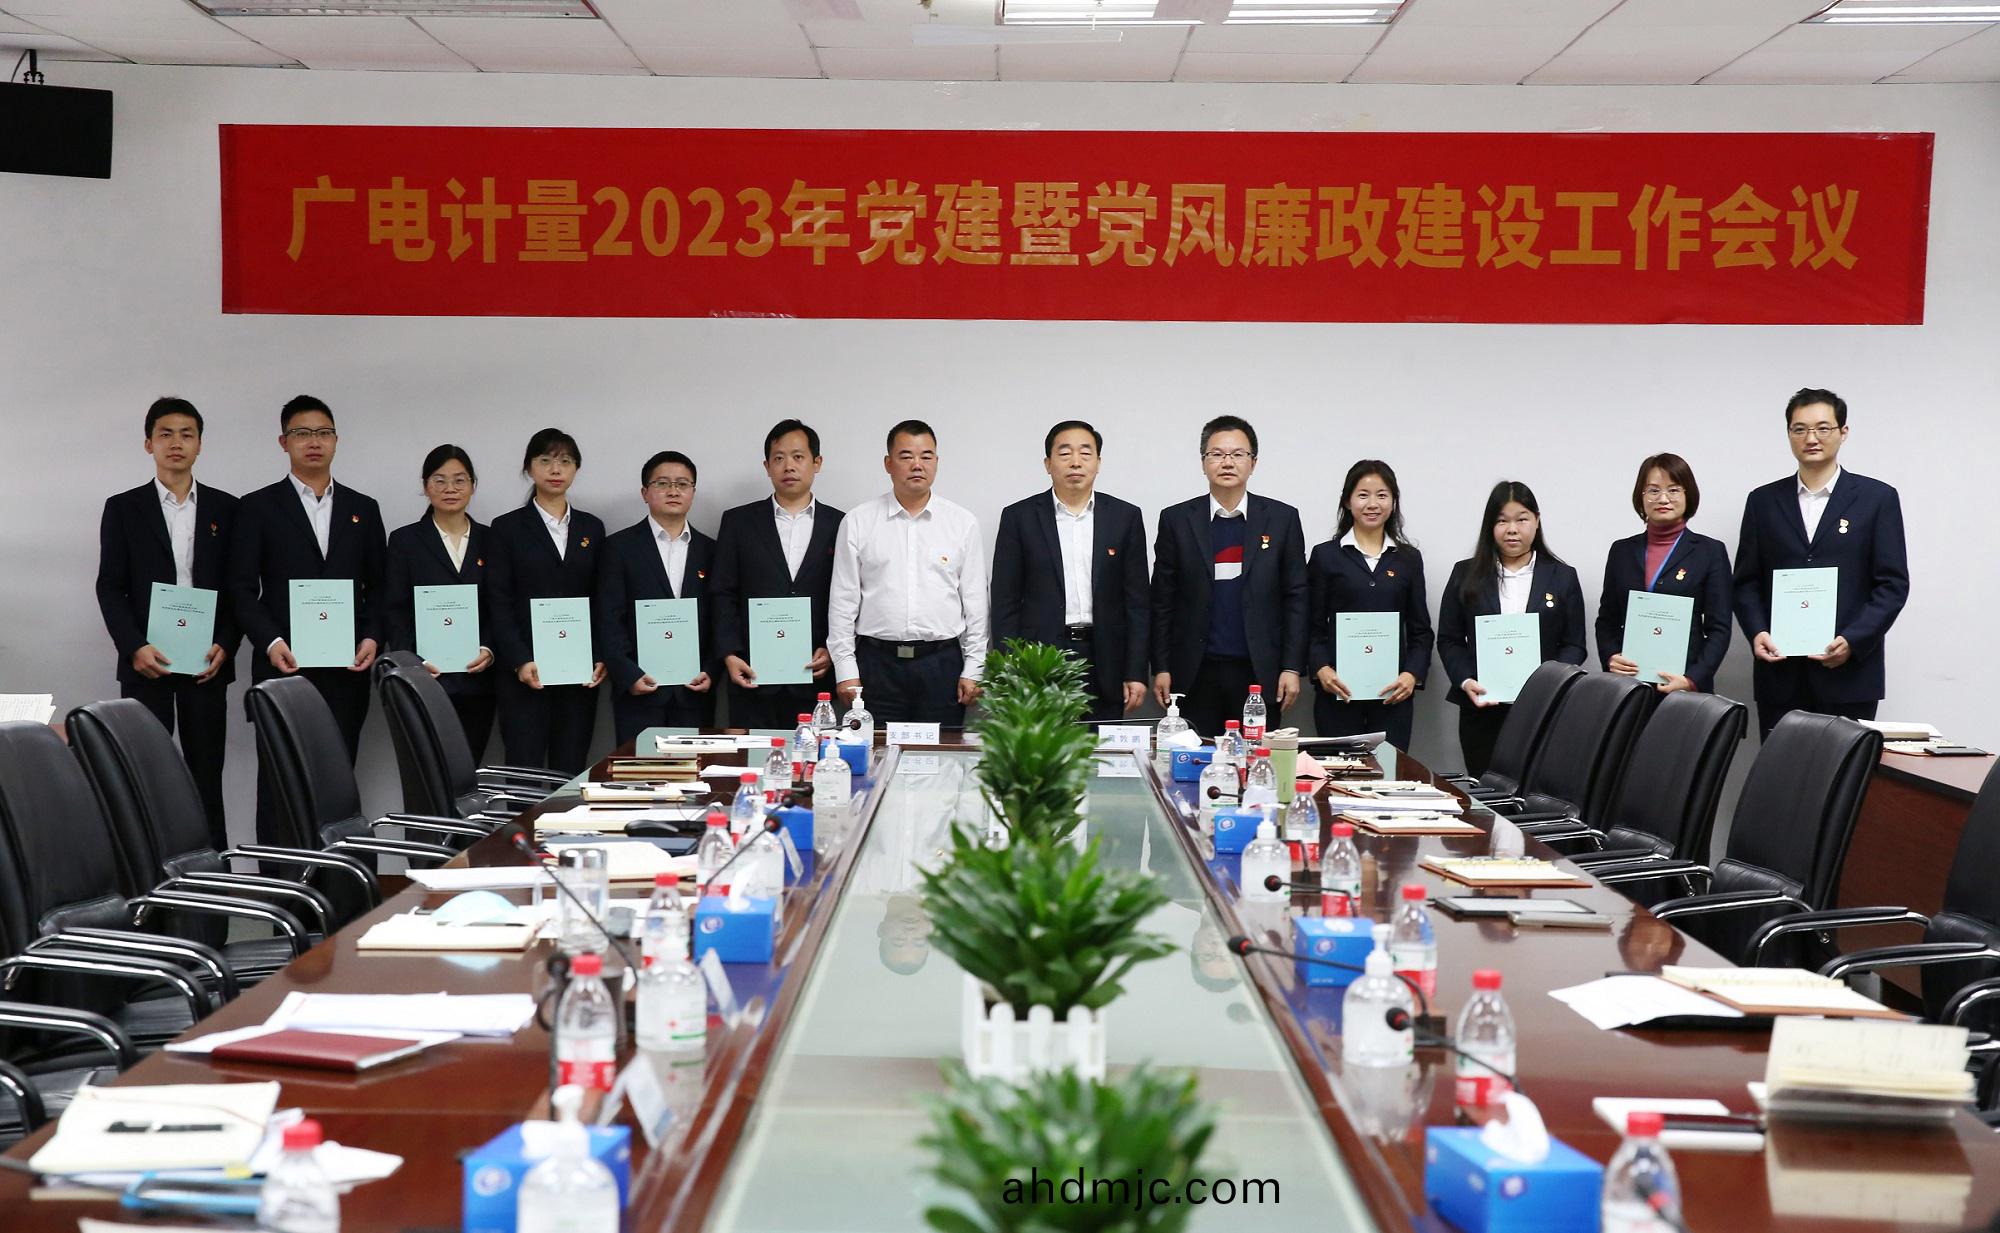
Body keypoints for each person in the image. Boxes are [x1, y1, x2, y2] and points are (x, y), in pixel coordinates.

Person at [226, 394, 387, 845]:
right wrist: (271, 642)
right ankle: (277, 886)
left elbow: (380, 588)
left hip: (346, 671)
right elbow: (240, 589)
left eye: (323, 433)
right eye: (302, 433)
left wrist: (372, 636)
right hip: (283, 667)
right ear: (284, 442)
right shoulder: (257, 507)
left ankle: (336, 886)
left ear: (336, 440)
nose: (313, 442)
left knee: (337, 788)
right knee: (279, 788)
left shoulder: (363, 509)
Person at [94, 396, 240, 849]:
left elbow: (239, 587)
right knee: (145, 778)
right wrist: (133, 647)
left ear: (200, 445)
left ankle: (214, 879)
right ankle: (151, 881)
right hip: (147, 661)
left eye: (187, 434)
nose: (176, 443)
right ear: (149, 444)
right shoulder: (123, 508)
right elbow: (109, 587)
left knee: (205, 778)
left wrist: (226, 642)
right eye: (166, 434)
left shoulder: (227, 508)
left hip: (206, 663)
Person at [1733, 388, 1908, 740]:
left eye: (1823, 428)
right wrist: (1757, 632)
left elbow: (1892, 584)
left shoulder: (1877, 499)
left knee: (1844, 771)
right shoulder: (1763, 501)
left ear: (1843, 432)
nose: (1811, 438)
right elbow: (1746, 581)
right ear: (1788, 434)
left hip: (1849, 675)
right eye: (1799, 429)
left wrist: (1853, 641)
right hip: (1780, 673)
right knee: (1781, 770)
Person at [1149, 415, 1308, 741]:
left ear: (1253, 463)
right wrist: (1161, 666)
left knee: (1256, 761)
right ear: (1203, 462)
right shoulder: (1177, 520)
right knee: (1194, 761)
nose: (1227, 462)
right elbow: (1162, 600)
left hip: (1258, 673)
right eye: (1217, 454)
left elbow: (1296, 598)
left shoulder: (1281, 519)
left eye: (1238, 454)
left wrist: (1292, 667)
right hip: (1194, 672)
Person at [826, 419, 989, 726]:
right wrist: (846, 670)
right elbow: (842, 603)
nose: (917, 464)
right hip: (876, 666)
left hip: (941, 666)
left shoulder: (962, 523)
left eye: (926, 456)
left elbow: (976, 604)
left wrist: (974, 669)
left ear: (936, 462)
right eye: (906, 456)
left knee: (941, 753)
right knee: (875, 751)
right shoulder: (859, 521)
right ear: (888, 464)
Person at [989, 420, 1150, 723]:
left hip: (1105, 658)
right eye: (1065, 453)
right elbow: (1004, 603)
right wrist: (1010, 670)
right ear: (1048, 464)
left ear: (1098, 463)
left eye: (1085, 453)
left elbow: (1138, 603)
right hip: (1040, 660)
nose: (1076, 462)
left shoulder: (1125, 517)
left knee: (1101, 748)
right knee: (1043, 749)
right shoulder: (1019, 518)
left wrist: (1136, 671)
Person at [1436, 481, 1587, 778]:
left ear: (1537, 521)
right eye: (1502, 521)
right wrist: (1466, 680)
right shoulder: (1465, 574)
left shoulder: (1562, 576)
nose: (1512, 529)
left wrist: (1549, 684)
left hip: (1543, 710)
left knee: (1536, 794)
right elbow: (1449, 639)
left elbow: (1574, 644)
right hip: (1482, 708)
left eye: (1522, 519)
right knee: (1487, 791)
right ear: (1490, 526)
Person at [709, 420, 846, 730]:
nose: (789, 466)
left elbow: (849, 597)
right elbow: (722, 593)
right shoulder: (738, 522)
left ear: (817, 463)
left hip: (816, 673)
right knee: (752, 757)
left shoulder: (841, 524)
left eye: (798, 457)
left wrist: (833, 648)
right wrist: (729, 653)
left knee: (813, 757)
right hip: (752, 673)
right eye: (779, 458)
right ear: (767, 466)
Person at [487, 428, 607, 773]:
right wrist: (519, 659)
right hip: (526, 672)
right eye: (545, 460)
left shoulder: (592, 528)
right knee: (523, 771)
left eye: (565, 461)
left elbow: (603, 598)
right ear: (529, 468)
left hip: (579, 672)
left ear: (576, 469)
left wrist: (600, 655)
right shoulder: (506, 528)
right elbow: (498, 600)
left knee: (570, 771)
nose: (556, 469)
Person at [1306, 460, 1433, 751]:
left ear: (1393, 501)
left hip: (1393, 696)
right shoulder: (1326, 556)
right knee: (1339, 772)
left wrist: (1411, 675)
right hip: (1338, 694)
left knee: (1388, 771)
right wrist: (1321, 668)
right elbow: (1311, 626)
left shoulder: (1408, 559)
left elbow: (1421, 631)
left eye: (1382, 495)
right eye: (1363, 495)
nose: (1372, 504)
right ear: (1347, 501)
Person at [384, 444, 497, 763]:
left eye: (460, 480)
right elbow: (394, 609)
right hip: (425, 680)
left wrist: (489, 648)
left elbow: (500, 604)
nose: (450, 488)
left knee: (469, 770)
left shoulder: (491, 539)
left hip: (478, 680)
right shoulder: (404, 541)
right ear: (425, 486)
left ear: (473, 485)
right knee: (427, 772)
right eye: (439, 480)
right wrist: (413, 662)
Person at [598, 450, 716, 743]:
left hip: (694, 691)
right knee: (639, 769)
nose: (673, 491)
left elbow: (720, 616)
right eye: (662, 483)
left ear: (693, 492)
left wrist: (711, 670)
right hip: (640, 691)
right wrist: (628, 674)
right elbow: (608, 616)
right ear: (645, 492)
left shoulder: (712, 550)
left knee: (695, 770)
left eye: (683, 484)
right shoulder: (618, 548)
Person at [1595, 453, 1732, 696]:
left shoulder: (1710, 552)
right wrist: (1611, 657)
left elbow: (1719, 629)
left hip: (1684, 688)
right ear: (1641, 496)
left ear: (1688, 494)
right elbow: (1607, 620)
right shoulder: (1621, 551)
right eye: (1653, 490)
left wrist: (1692, 679)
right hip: (1629, 686)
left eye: (1674, 490)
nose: (1663, 498)